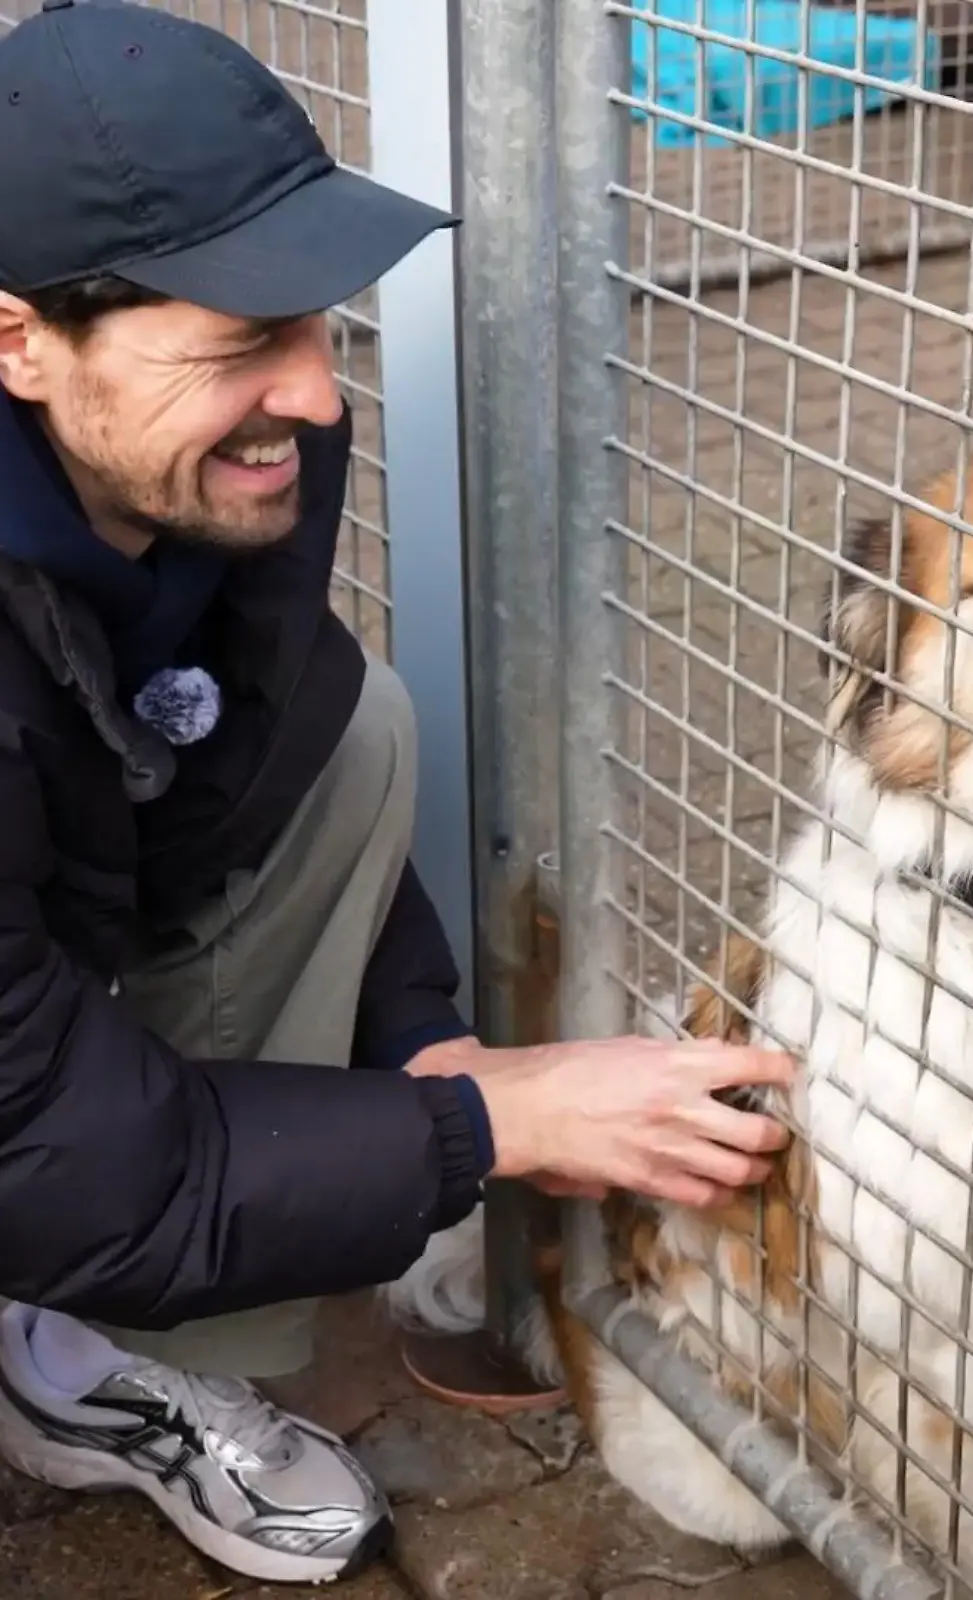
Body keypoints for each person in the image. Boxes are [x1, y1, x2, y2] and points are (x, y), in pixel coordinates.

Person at [0, 2, 793, 1586]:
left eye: (314, 322)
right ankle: (81, 1370)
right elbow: (45, 1142)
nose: (312, 391)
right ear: (20, 338)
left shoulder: (201, 462)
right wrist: (484, 1125)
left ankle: (97, 1332)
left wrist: (430, 1053)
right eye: (240, 345)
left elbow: (278, 756)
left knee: (362, 731)